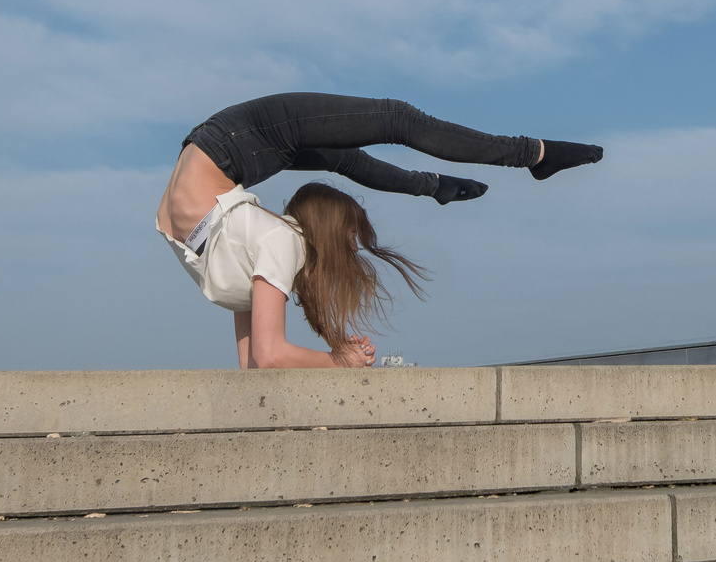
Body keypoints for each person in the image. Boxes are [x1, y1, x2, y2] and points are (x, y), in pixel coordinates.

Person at [155, 93, 603, 369]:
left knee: (380, 131)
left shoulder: (258, 254)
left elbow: (261, 360)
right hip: (223, 152)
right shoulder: (269, 246)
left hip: (231, 143)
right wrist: (338, 362)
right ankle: (534, 155)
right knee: (388, 122)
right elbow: (265, 360)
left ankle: (458, 178)